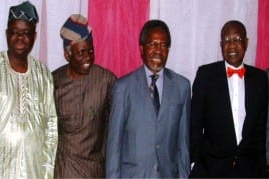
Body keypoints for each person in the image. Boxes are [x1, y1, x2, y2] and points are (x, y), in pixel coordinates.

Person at [0, 1, 58, 179]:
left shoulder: (43, 75)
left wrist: (47, 173)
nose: (20, 38)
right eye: (15, 32)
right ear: (6, 33)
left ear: (34, 37)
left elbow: (51, 126)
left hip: (33, 173)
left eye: (26, 33)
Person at [106, 19, 191, 178]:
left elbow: (183, 146)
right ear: (142, 48)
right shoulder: (123, 88)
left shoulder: (182, 87)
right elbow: (114, 148)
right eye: (152, 44)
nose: (158, 50)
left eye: (163, 45)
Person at [190, 20, 268, 178]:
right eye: (227, 40)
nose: (231, 45)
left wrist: (261, 171)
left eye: (237, 39)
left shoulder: (260, 79)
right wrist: (194, 163)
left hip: (249, 170)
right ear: (221, 45)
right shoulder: (206, 75)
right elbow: (195, 125)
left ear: (246, 43)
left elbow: (260, 131)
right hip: (212, 169)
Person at [53, 14, 116, 178]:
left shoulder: (106, 81)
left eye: (91, 51)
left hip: (95, 172)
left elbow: (114, 131)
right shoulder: (53, 82)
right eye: (81, 53)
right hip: (63, 171)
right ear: (67, 55)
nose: (88, 57)